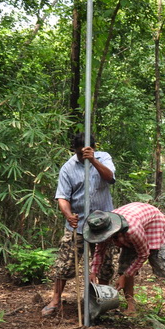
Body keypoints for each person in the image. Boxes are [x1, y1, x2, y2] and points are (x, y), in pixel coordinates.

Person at [43, 133, 117, 317]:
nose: (81, 157)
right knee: (65, 263)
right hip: (78, 224)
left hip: (103, 225)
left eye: (84, 152)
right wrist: (69, 216)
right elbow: (62, 197)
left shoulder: (104, 158)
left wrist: (93, 161)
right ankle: (56, 300)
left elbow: (110, 178)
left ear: (93, 148)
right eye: (78, 153)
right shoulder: (68, 167)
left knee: (105, 264)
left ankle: (103, 300)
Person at [83, 203, 165, 325]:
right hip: (131, 230)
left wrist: (125, 276)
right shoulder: (102, 226)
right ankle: (131, 307)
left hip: (153, 225)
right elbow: (100, 250)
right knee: (125, 267)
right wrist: (93, 272)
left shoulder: (132, 231)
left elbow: (143, 254)